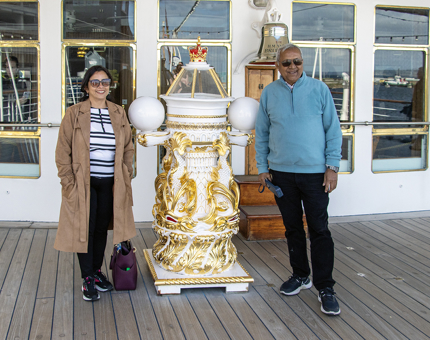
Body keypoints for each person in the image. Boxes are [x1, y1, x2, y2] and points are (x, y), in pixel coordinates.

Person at [255, 43, 343, 315]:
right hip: (281, 175)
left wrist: (333, 166)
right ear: (277, 66)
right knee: (292, 228)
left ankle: (325, 287)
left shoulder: (319, 90)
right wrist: (262, 167)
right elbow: (262, 133)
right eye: (286, 63)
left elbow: (333, 130)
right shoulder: (269, 93)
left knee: (319, 230)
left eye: (297, 62)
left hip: (316, 174)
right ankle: (301, 275)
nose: (292, 67)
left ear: (302, 63)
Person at [55, 65, 136, 301]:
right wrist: (69, 183)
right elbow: (62, 152)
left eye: (105, 82)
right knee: (85, 230)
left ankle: (97, 271)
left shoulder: (118, 113)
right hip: (84, 183)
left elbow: (128, 148)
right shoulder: (74, 113)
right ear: (86, 87)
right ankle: (87, 277)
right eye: (95, 82)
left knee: (101, 228)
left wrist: (126, 173)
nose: (101, 86)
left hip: (111, 182)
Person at [2, 56, 28, 123]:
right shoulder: (1, 81)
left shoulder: (22, 82)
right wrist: (15, 102)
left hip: (19, 116)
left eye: (12, 67)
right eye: (7, 67)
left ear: (17, 68)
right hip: (4, 117)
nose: (9, 70)